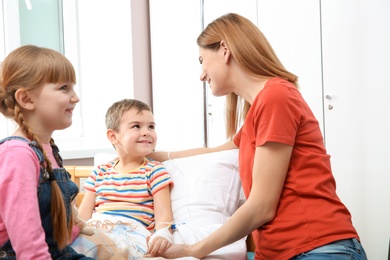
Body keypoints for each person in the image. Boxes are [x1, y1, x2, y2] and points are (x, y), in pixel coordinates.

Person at [148, 13, 368, 260]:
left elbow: (261, 207)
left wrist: (192, 250)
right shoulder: (257, 113)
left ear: (224, 49)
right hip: (280, 253)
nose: (201, 74)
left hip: (317, 247)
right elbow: (217, 151)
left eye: (202, 60)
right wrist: (157, 156)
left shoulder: (276, 97)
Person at [0, 45, 93, 259]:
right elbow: (28, 245)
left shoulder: (49, 150)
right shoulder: (17, 154)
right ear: (26, 99)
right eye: (64, 88)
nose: (75, 97)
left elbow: (52, 231)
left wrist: (75, 228)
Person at [78, 98, 174, 257]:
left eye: (151, 126)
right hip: (98, 229)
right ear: (113, 136)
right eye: (136, 126)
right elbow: (83, 216)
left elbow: (164, 215)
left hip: (131, 234)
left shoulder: (154, 170)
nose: (147, 132)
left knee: (113, 251)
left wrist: (163, 233)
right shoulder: (100, 172)